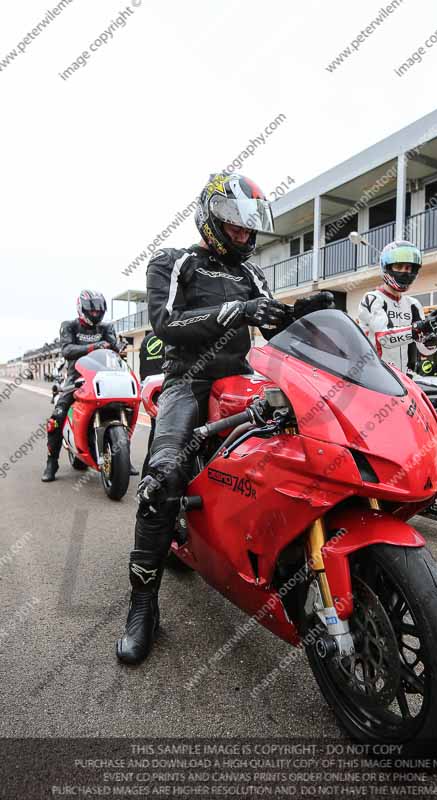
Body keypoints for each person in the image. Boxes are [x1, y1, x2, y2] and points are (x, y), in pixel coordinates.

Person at [116, 172, 334, 664]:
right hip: (187, 382)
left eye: (249, 227)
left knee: (310, 446)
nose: (243, 234)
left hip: (245, 382)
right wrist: (238, 311)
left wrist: (306, 312)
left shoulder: (252, 274)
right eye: (234, 225)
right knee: (162, 475)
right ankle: (143, 605)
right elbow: (166, 324)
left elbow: (273, 322)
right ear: (211, 219)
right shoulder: (175, 262)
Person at [41, 291, 120, 482]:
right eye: (91, 311)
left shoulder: (107, 327)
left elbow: (115, 348)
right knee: (56, 419)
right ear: (82, 309)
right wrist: (93, 347)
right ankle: (52, 462)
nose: (95, 314)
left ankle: (120, 455)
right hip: (76, 381)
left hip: (104, 378)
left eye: (99, 311)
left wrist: (115, 346)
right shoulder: (69, 326)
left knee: (121, 408)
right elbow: (67, 350)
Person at [357, 240, 437, 374]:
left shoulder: (414, 304)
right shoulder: (372, 298)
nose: (405, 272)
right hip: (376, 378)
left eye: (408, 268)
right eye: (399, 266)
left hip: (406, 380)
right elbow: (385, 338)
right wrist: (419, 328)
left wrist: (433, 335)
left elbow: (424, 349)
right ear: (387, 267)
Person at [138, 329, 165, 476]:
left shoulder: (147, 339)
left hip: (153, 391)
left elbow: (144, 373)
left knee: (156, 435)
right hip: (168, 390)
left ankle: (147, 477)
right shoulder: (175, 332)